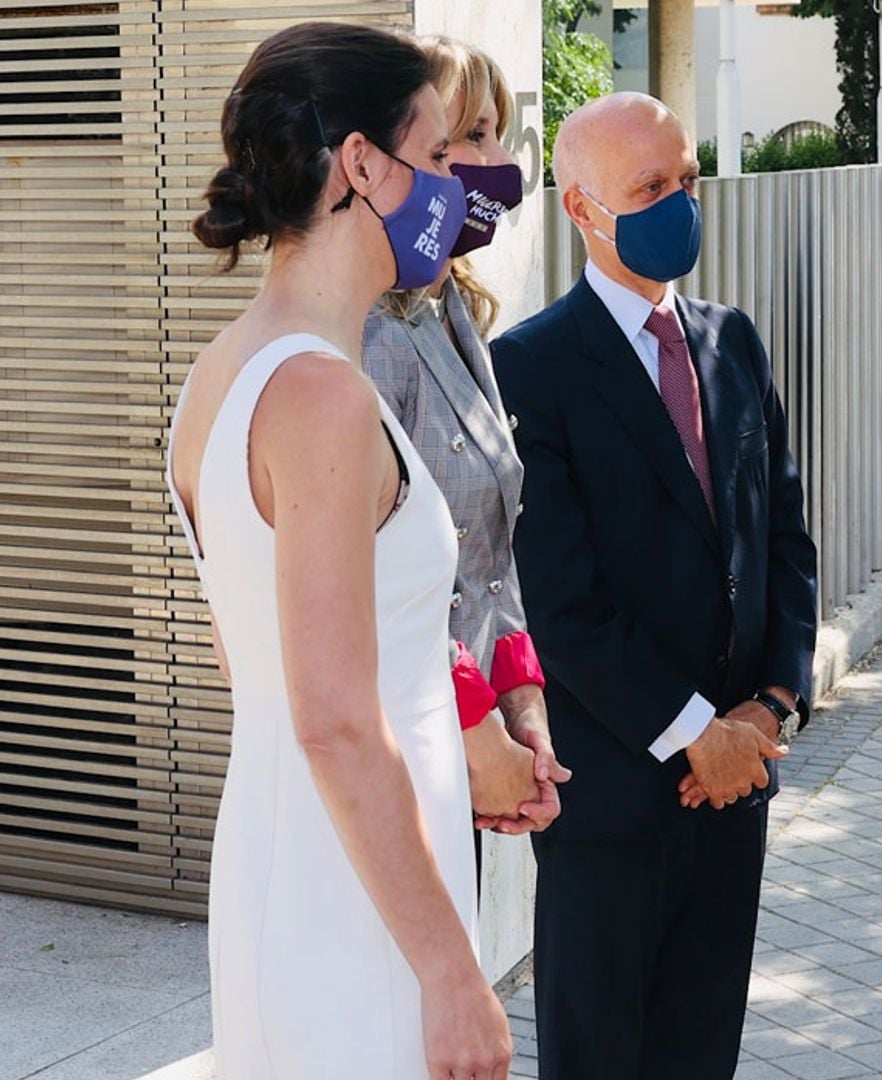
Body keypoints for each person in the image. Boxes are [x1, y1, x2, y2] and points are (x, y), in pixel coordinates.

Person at [169, 22, 512, 1079]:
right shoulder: (320, 394)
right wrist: (454, 972)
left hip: (300, 872)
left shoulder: (222, 372)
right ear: (364, 164)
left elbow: (253, 664)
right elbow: (332, 721)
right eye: (441, 154)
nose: (461, 186)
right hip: (360, 916)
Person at [489, 92, 818, 1080]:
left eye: (685, 179)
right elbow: (563, 601)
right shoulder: (532, 368)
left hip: (736, 786)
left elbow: (785, 536)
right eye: (650, 188)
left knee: (700, 1051)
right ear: (585, 210)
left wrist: (771, 704)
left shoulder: (735, 340)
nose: (678, 202)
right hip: (616, 799)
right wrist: (693, 735)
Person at [361, 37, 568, 848]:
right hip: (405, 750)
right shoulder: (371, 332)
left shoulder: (454, 313)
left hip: (468, 747)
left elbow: (488, 557)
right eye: (460, 141)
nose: (489, 165)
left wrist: (526, 712)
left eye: (494, 135)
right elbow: (379, 579)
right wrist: (482, 730)